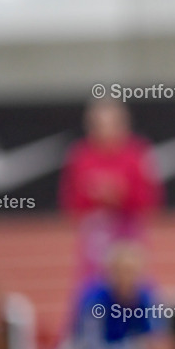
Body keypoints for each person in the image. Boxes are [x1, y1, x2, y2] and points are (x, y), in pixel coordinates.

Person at [59, 99, 163, 283]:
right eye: (99, 124)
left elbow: (149, 199)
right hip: (95, 236)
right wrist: (95, 197)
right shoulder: (81, 155)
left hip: (129, 232)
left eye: (111, 124)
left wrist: (120, 195)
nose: (106, 130)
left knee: (133, 285)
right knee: (92, 286)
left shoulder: (136, 153)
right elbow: (71, 201)